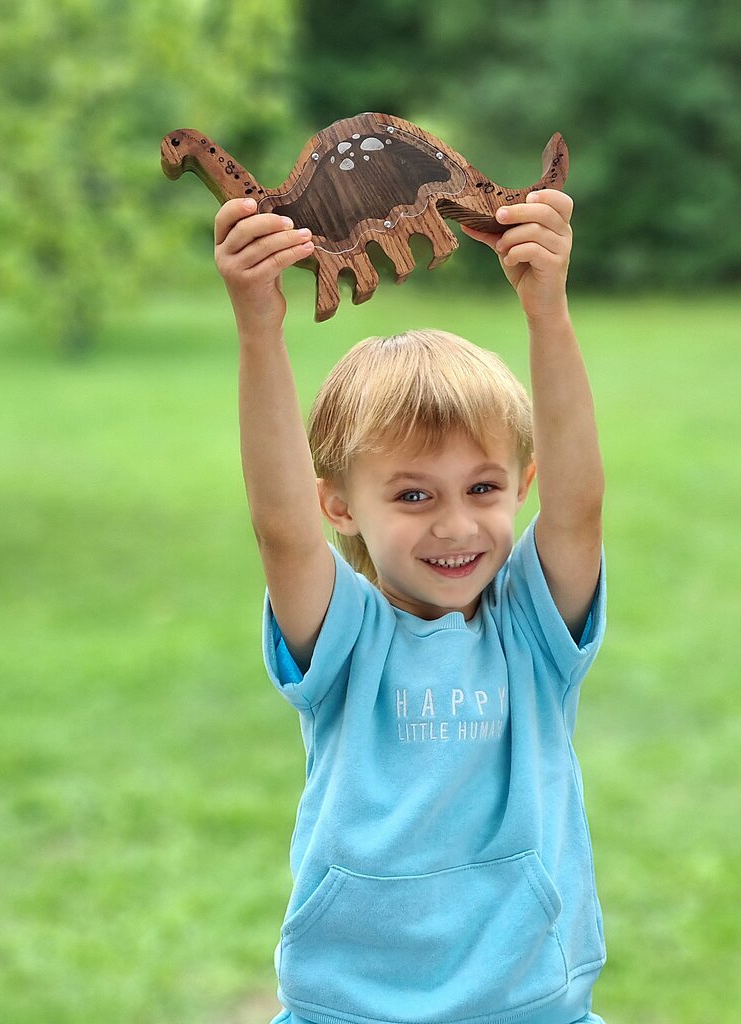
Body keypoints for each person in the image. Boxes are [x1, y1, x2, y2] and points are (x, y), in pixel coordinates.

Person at [214, 188, 608, 1024]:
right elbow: (280, 531)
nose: (457, 523)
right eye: (413, 495)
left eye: (483, 487)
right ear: (342, 507)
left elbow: (578, 509)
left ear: (520, 487)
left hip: (527, 1000)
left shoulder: (533, 631)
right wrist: (260, 330)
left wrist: (548, 311)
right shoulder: (345, 634)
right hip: (352, 1004)